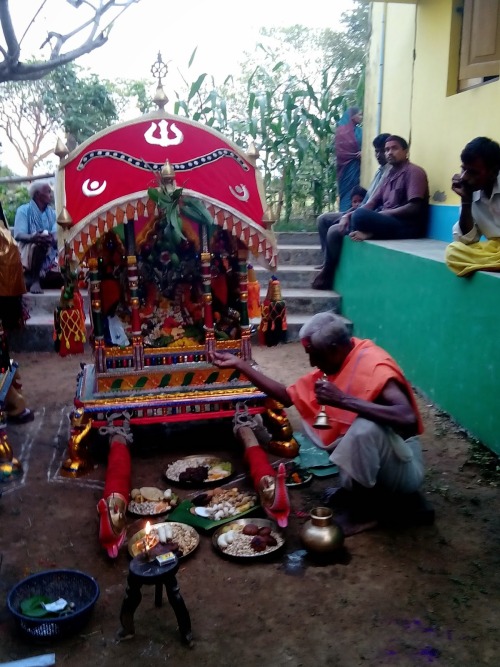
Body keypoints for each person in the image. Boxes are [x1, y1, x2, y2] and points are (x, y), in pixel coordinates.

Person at [210, 312, 433, 529]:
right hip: (379, 469)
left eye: (314, 355)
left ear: (334, 349)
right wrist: (241, 365)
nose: (311, 363)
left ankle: (364, 514)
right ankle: (353, 491)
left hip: (403, 473)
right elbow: (288, 396)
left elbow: (407, 417)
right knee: (317, 418)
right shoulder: (338, 361)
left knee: (363, 428)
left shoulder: (374, 364)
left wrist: (344, 400)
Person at [312, 135, 429, 290]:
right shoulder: (389, 175)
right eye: (387, 149)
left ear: (405, 151)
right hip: (385, 221)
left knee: (360, 215)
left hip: (406, 225)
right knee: (337, 228)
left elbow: (414, 208)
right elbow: (372, 202)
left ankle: (369, 234)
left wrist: (379, 216)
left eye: (394, 148)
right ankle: (328, 270)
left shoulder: (414, 172)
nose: (389, 153)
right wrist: (347, 215)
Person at [316, 133, 392, 268]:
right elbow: (368, 199)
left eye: (382, 151)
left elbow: (378, 204)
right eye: (377, 151)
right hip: (360, 210)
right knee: (323, 219)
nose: (379, 155)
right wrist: (349, 212)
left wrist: (351, 214)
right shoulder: (379, 171)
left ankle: (331, 268)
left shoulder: (391, 174)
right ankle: (327, 259)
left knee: (334, 230)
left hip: (370, 215)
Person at [445, 137, 500, 276]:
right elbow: (467, 240)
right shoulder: (470, 190)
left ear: (493, 172)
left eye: (473, 172)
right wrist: (466, 201)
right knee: (453, 251)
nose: (464, 177)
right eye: (463, 169)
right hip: (495, 251)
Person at [14, 181, 61, 294]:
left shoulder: (53, 213)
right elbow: (19, 234)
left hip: (49, 250)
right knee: (40, 243)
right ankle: (35, 281)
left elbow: (56, 232)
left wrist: (51, 238)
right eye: (48, 192)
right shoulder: (23, 210)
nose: (51, 195)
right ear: (37, 195)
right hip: (29, 250)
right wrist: (34, 237)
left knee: (47, 242)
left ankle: (33, 279)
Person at [335, 107, 363, 212]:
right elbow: (340, 152)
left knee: (351, 192)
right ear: (352, 116)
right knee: (348, 192)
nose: (361, 118)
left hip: (350, 168)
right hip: (348, 167)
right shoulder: (345, 132)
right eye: (359, 115)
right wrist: (356, 154)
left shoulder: (358, 131)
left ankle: (347, 215)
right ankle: (344, 215)